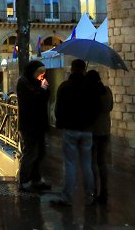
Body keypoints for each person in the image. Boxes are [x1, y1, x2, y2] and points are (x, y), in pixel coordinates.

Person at [52, 59, 100, 206]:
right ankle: (90, 196)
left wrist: (61, 124)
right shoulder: (91, 87)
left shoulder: (65, 87)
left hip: (70, 129)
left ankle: (67, 197)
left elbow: (58, 109)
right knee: (87, 164)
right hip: (86, 130)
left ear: (72, 69)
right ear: (84, 70)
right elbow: (96, 108)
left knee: (70, 164)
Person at [16, 60, 52, 191]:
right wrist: (42, 89)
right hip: (29, 123)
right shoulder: (24, 82)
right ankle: (24, 181)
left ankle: (36, 179)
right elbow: (33, 100)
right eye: (40, 72)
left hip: (39, 123)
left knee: (40, 152)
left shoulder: (37, 82)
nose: (42, 75)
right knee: (31, 152)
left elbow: (44, 98)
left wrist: (45, 89)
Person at [87, 69, 113, 204]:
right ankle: (104, 191)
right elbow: (110, 107)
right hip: (105, 130)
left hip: (93, 131)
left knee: (92, 163)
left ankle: (93, 190)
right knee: (102, 162)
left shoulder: (91, 92)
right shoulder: (107, 91)